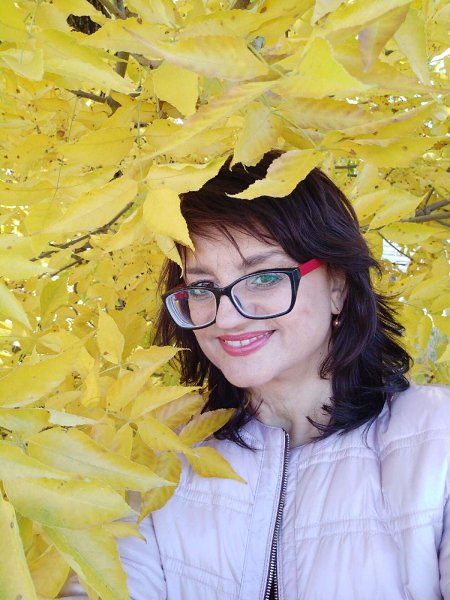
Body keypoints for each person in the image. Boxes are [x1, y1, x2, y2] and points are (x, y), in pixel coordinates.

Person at [61, 152, 450, 599]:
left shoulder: (437, 438)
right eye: (202, 287)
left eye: (263, 278)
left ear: (337, 287)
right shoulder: (163, 457)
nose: (226, 318)